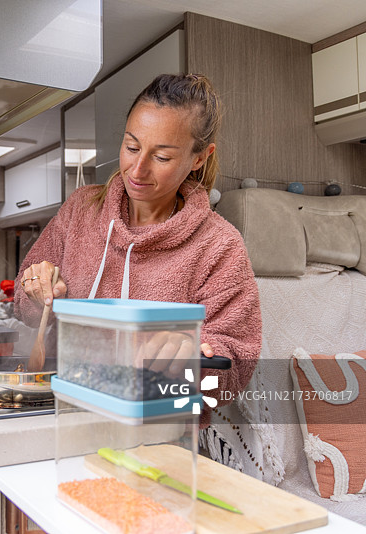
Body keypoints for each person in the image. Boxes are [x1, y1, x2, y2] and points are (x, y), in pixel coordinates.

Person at [14, 73, 261, 424]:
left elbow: (234, 368)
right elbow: (24, 308)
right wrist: (35, 294)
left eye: (161, 157)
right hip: (61, 417)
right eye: (131, 147)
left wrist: (194, 358)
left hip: (158, 437)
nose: (138, 169)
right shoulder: (81, 211)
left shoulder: (218, 247)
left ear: (199, 159)